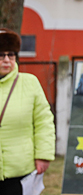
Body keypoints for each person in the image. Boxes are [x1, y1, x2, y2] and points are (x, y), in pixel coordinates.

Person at [0, 28, 55, 194]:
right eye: (1, 55)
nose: (7, 60)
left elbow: (44, 122)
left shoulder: (30, 83)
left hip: (20, 169)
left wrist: (43, 155)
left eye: (11, 55)